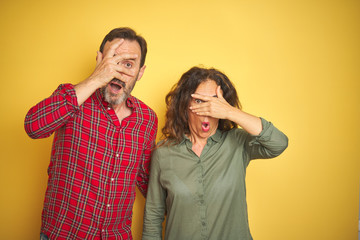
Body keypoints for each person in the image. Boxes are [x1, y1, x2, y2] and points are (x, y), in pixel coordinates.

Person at [24, 27, 158, 239]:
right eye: (112, 60)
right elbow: (33, 126)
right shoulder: (71, 97)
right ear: (99, 60)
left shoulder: (147, 119)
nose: (119, 71)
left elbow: (147, 178)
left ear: (140, 72)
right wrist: (96, 79)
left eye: (128, 64)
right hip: (64, 234)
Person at [142, 66, 288, 240]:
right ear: (184, 106)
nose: (208, 109)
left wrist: (230, 112)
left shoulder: (238, 142)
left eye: (214, 102)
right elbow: (153, 217)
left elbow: (278, 143)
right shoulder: (163, 154)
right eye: (199, 101)